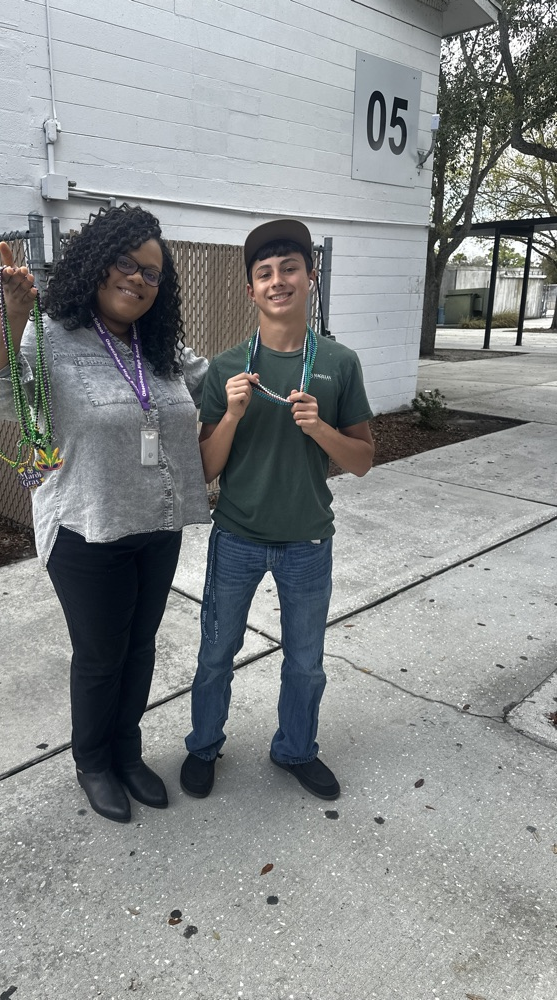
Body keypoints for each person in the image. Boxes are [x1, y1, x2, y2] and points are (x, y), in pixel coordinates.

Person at [0, 204, 211, 823]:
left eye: (152, 273)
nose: (138, 279)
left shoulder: (161, 348)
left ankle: (127, 751)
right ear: (96, 264)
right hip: (86, 529)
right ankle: (92, 762)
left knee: (140, 647)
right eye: (126, 263)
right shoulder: (48, 336)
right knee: (101, 656)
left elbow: (204, 392)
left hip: (158, 524)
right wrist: (12, 313)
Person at [180, 219, 375, 802]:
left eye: (290, 268)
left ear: (310, 278)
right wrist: (232, 415)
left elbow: (363, 460)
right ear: (251, 291)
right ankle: (203, 746)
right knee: (216, 653)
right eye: (264, 273)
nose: (277, 280)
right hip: (236, 537)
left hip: (307, 541)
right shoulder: (226, 368)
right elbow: (205, 469)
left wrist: (320, 430)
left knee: (306, 663)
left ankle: (295, 749)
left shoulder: (339, 362)